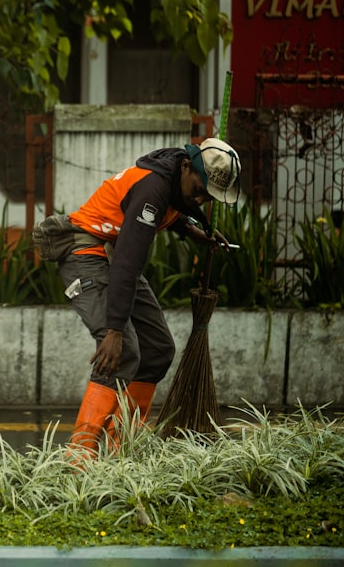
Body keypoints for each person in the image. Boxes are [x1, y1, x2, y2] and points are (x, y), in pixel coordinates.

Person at [60, 137, 241, 456]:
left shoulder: (173, 175)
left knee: (157, 349)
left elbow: (176, 203)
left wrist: (188, 228)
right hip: (85, 251)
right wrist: (114, 329)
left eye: (207, 197)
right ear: (187, 167)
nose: (200, 199)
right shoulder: (152, 192)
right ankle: (80, 457)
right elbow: (129, 262)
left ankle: (120, 448)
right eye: (200, 190)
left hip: (111, 256)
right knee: (122, 350)